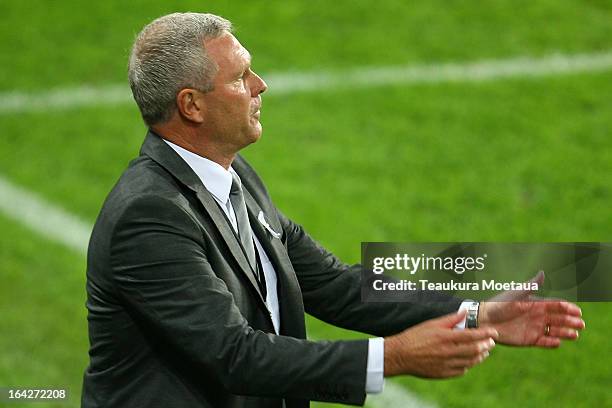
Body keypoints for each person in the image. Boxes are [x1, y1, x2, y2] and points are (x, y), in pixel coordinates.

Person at [81, 12, 585, 408]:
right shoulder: (149, 216)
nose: (261, 86)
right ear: (191, 105)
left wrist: (477, 314)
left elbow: (335, 283)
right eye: (240, 77)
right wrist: (393, 357)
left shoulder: (233, 176)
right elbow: (233, 354)